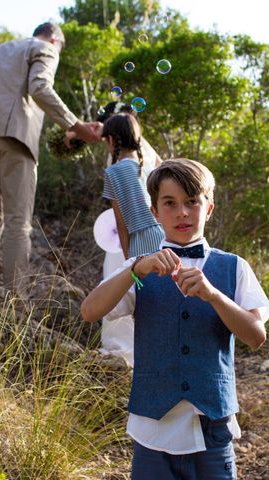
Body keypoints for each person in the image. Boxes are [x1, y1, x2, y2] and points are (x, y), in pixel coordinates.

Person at [81, 159, 269, 479]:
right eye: (170, 203)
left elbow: (256, 336)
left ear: (208, 208)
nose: (182, 212)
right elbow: (89, 312)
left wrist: (214, 296)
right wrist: (134, 270)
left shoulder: (234, 267)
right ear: (155, 212)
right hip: (152, 433)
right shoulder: (138, 269)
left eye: (191, 202)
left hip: (213, 432)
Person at [0, 22, 101, 307]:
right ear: (54, 39)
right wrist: (77, 125)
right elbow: (39, 88)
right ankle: (15, 306)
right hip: (14, 139)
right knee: (18, 224)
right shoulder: (46, 48)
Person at [96, 102, 162, 365]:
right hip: (162, 237)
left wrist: (129, 261)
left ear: (112, 140)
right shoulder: (149, 167)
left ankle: (132, 356)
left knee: (137, 300)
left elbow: (121, 221)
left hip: (139, 241)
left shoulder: (113, 171)